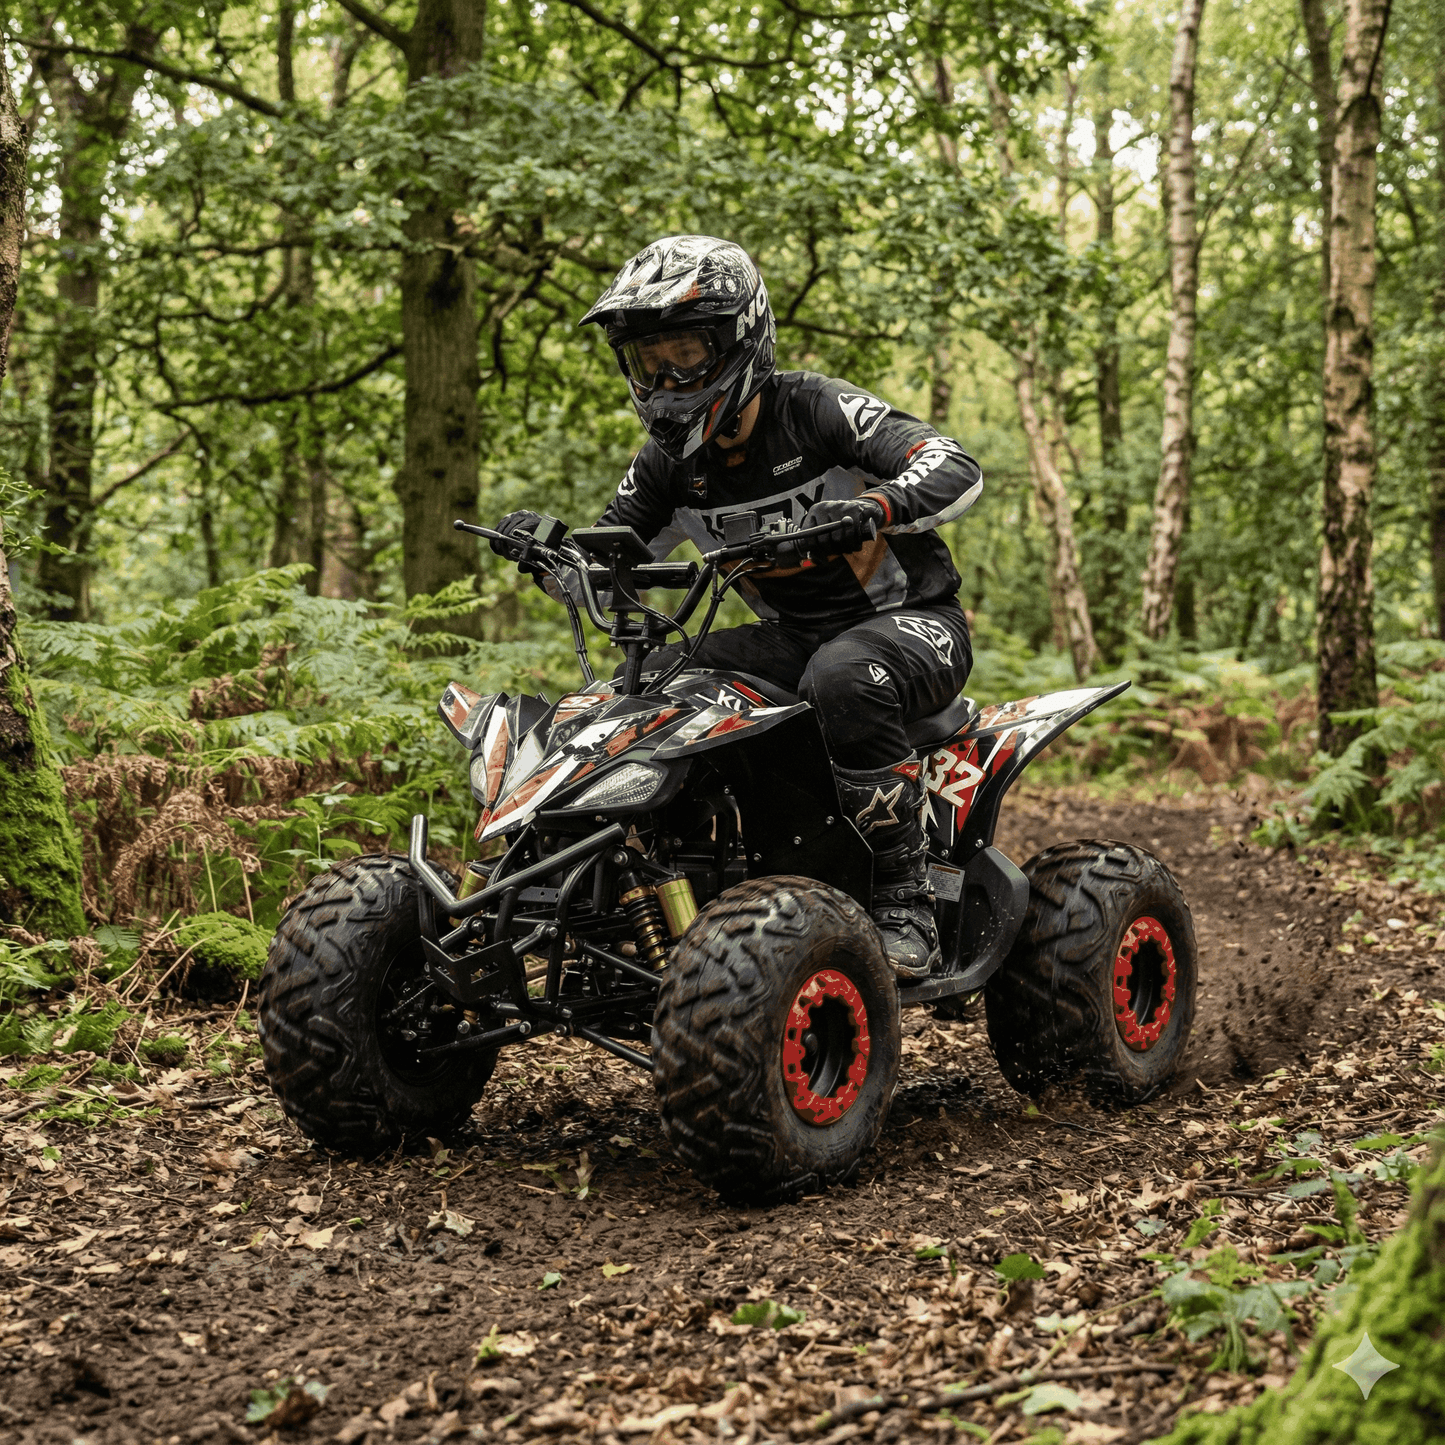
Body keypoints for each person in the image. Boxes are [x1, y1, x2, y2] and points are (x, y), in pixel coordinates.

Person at [492, 235, 983, 979]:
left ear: (739, 338)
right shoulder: (668, 463)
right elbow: (607, 559)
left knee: (842, 674)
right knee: (649, 687)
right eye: (646, 359)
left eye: (684, 352)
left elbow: (954, 465)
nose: (663, 376)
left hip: (912, 626)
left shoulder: (814, 409)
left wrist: (874, 507)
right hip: (789, 637)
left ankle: (902, 900)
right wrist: (551, 554)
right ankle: (640, 890)